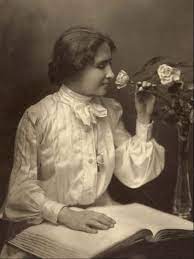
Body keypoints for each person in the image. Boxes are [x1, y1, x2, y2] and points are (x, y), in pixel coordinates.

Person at [0, 26, 165, 258]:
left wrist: (144, 118)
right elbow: (20, 191)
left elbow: (133, 174)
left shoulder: (109, 110)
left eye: (110, 64)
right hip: (47, 224)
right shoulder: (39, 116)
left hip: (100, 219)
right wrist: (66, 214)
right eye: (101, 65)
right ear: (74, 67)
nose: (111, 73)